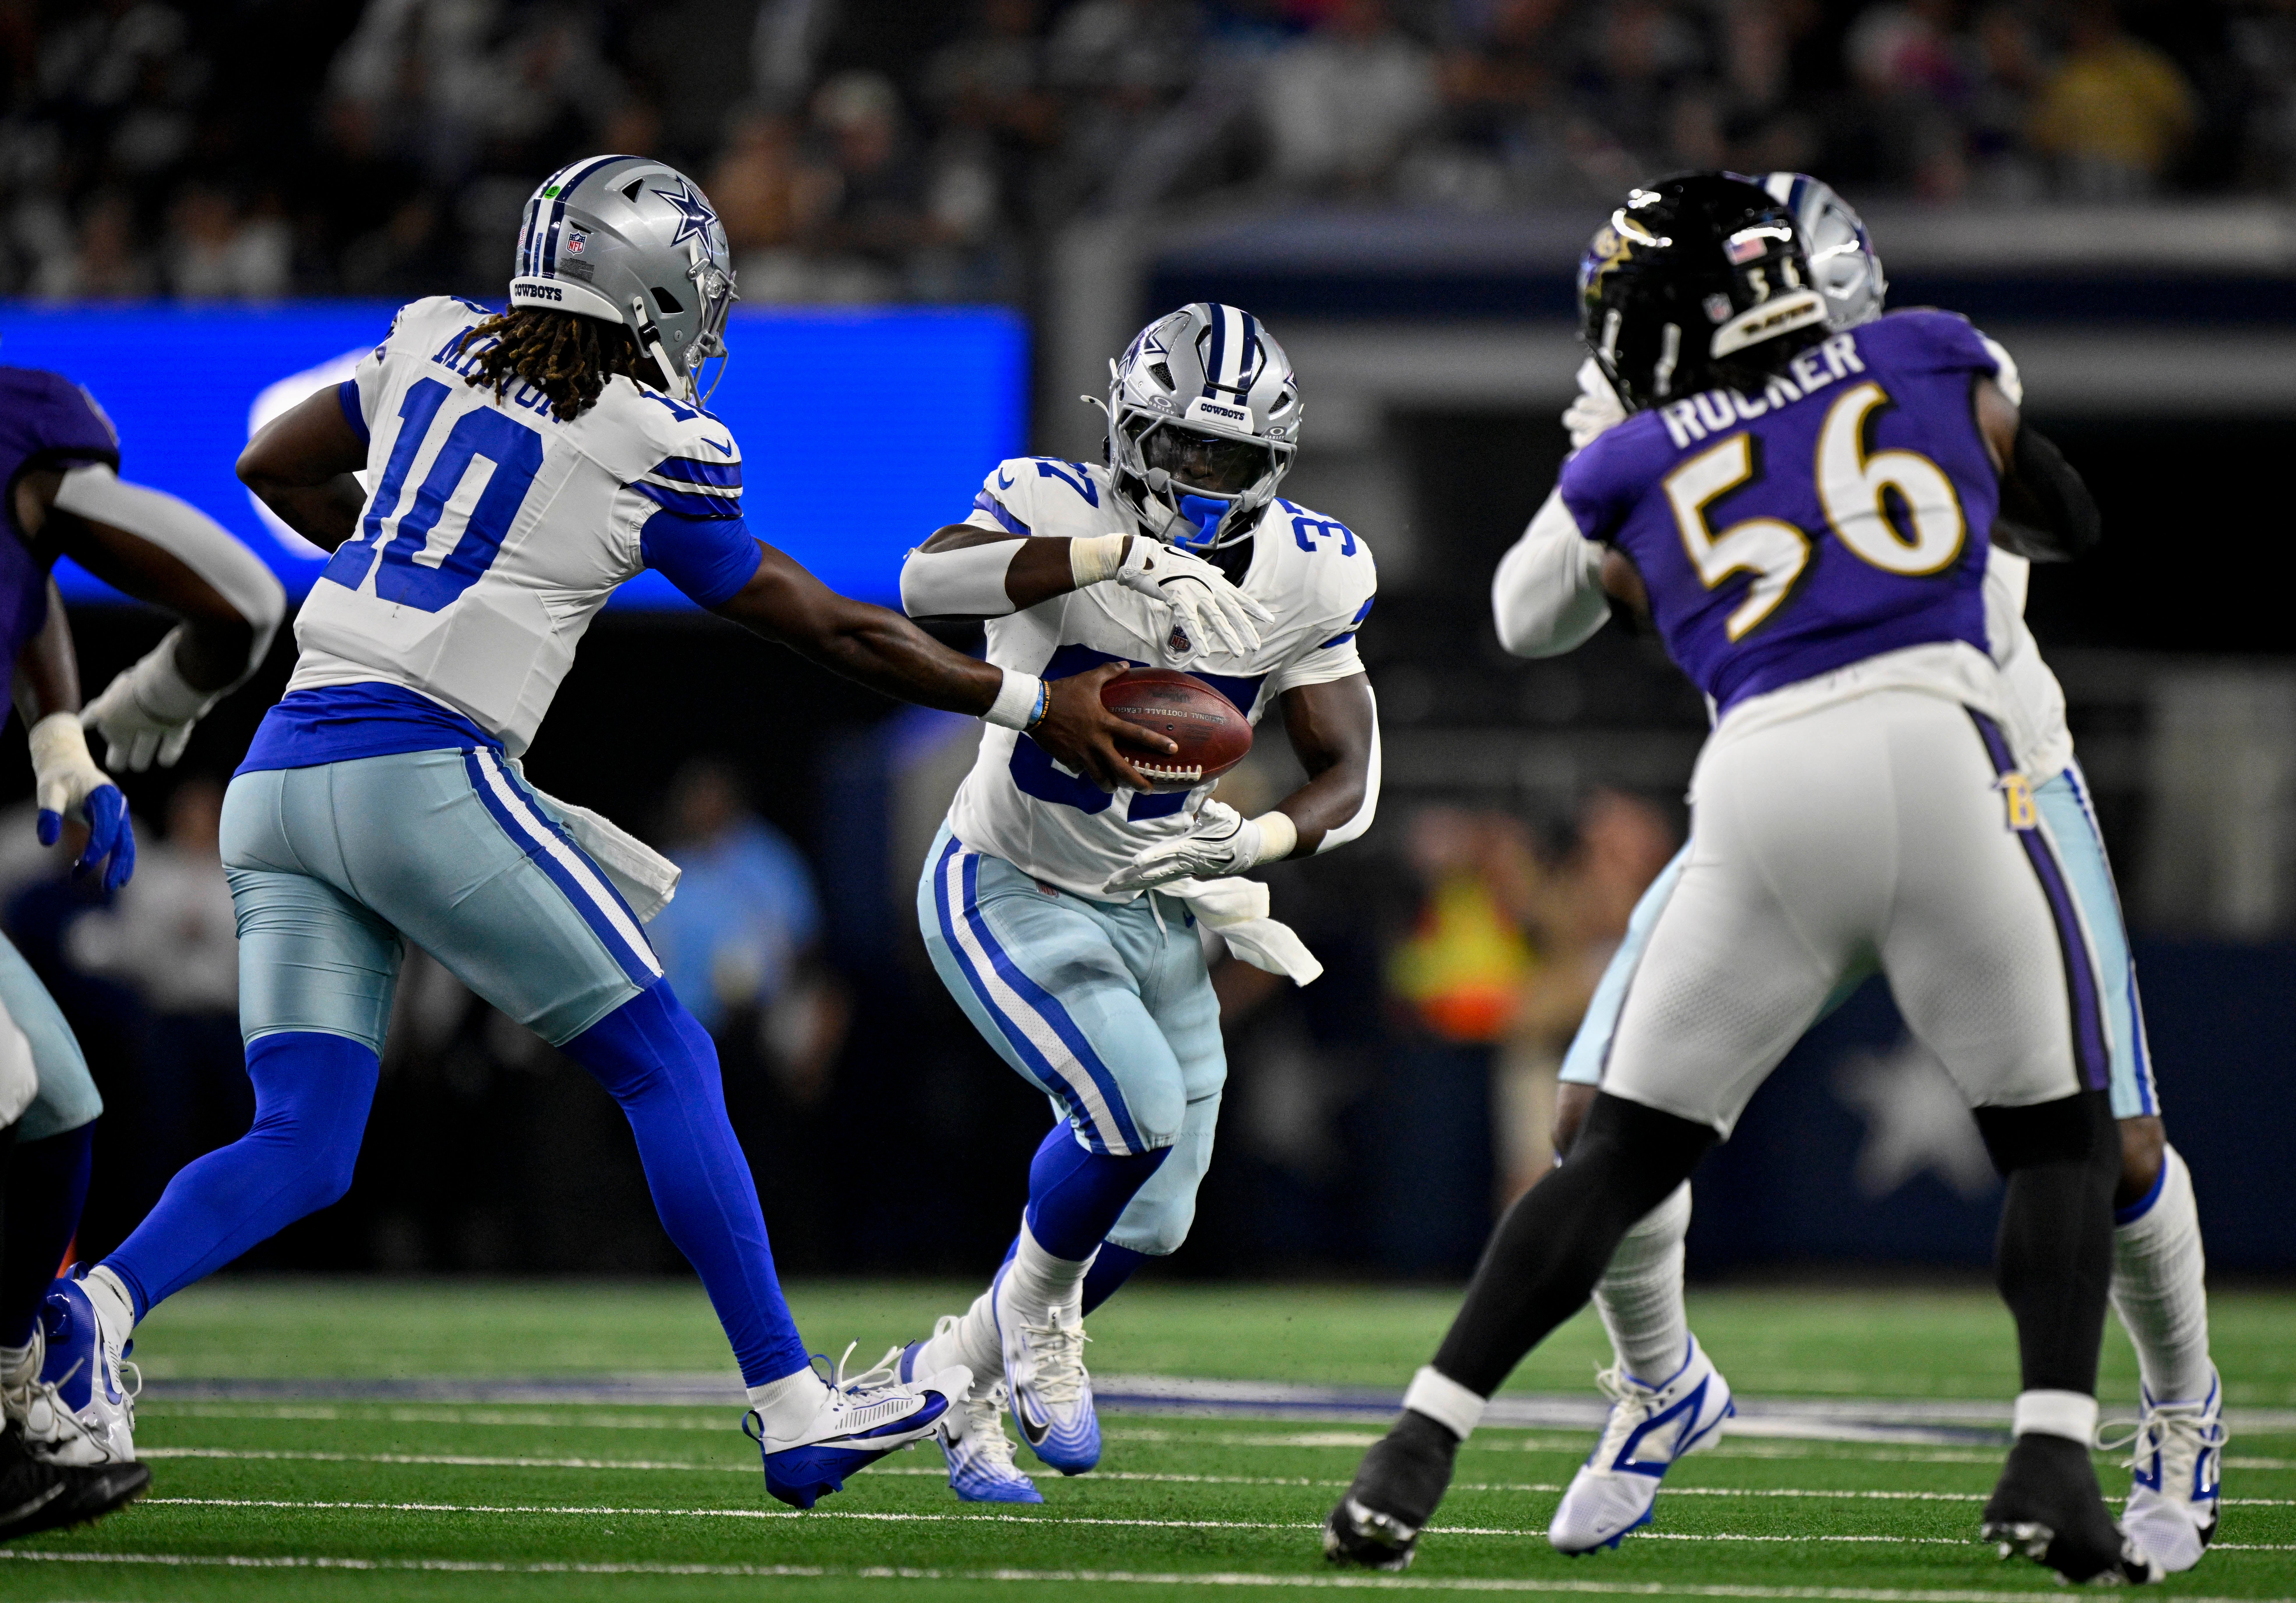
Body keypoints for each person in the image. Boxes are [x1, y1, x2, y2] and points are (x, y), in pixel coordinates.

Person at [34, 153, 1168, 1515]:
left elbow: (269, 457)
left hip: (281, 772)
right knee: (666, 1054)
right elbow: (834, 625)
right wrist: (1034, 698)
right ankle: (794, 1406)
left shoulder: (435, 337)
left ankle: (93, 1306)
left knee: (306, 1139)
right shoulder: (651, 435)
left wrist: (389, 558)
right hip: (419, 767)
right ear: (654, 290)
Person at [1326, 173, 2158, 1584]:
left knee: (1620, 1150)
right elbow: (2065, 516)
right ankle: (2053, 1453)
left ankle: (1419, 1437)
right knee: (2058, 1136)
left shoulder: (1627, 455)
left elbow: (1536, 616)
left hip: (1768, 777)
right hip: (1952, 752)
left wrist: (1623, 454)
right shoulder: (1935, 354)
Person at [888, 302, 1381, 1503]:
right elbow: (922, 581)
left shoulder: (1314, 569)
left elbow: (1353, 778)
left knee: (1154, 1217)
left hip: (1157, 910)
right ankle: (1040, 1330)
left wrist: (1256, 838)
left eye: (1232, 459)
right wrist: (1107, 557)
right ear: (1127, 432)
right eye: (1183, 448)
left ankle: (952, 1376)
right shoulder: (1056, 500)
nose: (1203, 481)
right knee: (1134, 1110)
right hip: (1012, 879)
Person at [0, 362, 288, 1535]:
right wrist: (142, 709)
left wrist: (65, 747)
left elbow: (27, 588)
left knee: (56, 1100)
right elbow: (243, 598)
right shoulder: (27, 433)